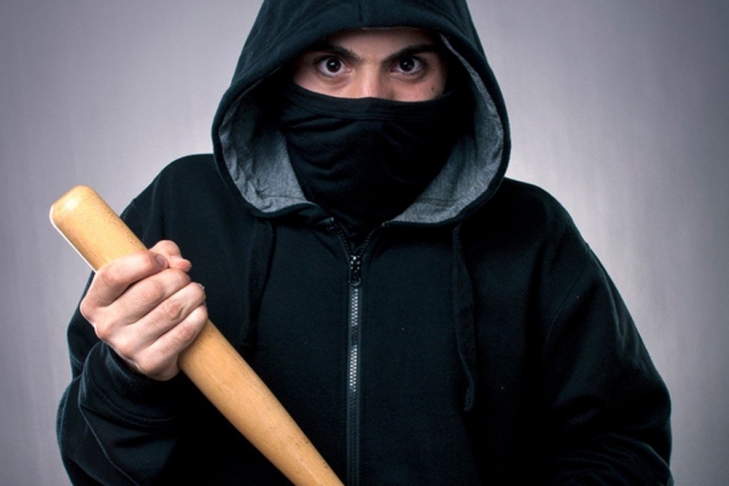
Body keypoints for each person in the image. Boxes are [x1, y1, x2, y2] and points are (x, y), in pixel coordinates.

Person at [56, 0, 673, 484]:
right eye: (333, 65)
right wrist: (128, 381)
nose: (369, 99)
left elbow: (623, 446)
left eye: (408, 65)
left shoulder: (530, 231)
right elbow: (93, 466)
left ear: (453, 74)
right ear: (281, 68)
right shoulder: (182, 207)